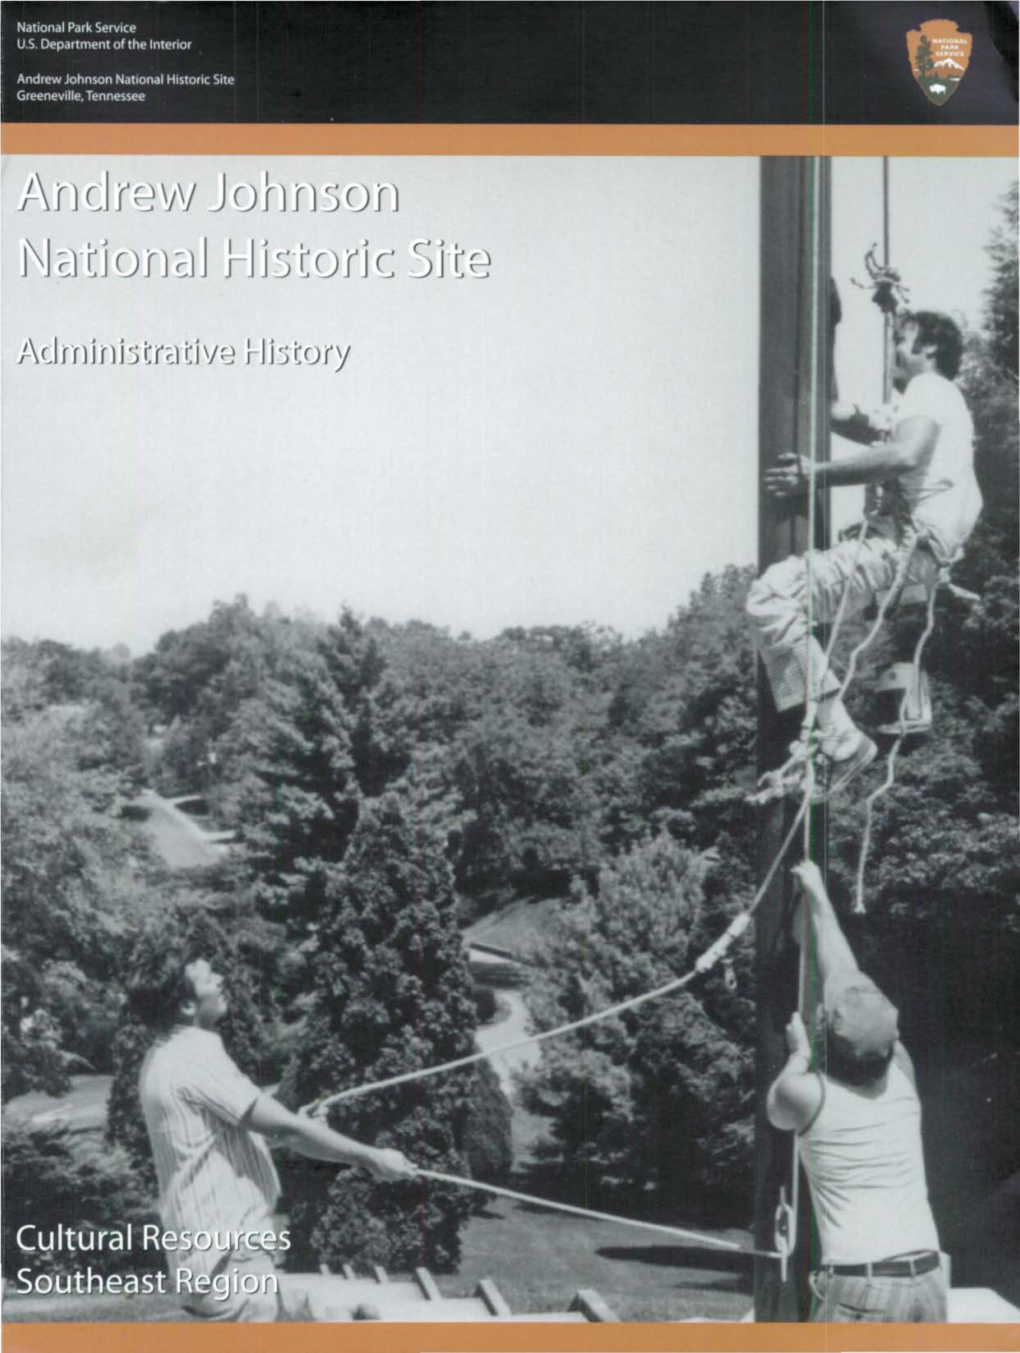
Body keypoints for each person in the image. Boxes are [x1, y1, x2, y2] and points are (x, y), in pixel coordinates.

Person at [747, 308, 981, 801]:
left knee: (771, 597)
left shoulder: (930, 390)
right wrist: (826, 327)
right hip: (914, 553)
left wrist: (816, 474)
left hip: (902, 545)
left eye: (902, 338)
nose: (893, 348)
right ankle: (832, 732)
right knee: (788, 610)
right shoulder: (921, 407)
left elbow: (903, 456)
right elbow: (829, 409)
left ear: (929, 349)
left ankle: (841, 737)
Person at [135, 948, 417, 1322]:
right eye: (208, 978)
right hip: (232, 1267)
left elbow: (218, 1138)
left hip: (214, 1266)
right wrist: (373, 1158)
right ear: (187, 1005)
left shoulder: (163, 1056)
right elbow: (287, 1129)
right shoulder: (194, 1057)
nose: (221, 980)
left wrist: (292, 1126)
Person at [767, 860, 946, 1323]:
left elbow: (776, 1110)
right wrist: (820, 897)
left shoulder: (805, 1096)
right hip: (927, 1280)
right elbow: (846, 973)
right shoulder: (903, 1077)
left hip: (862, 1289)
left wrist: (797, 1053)